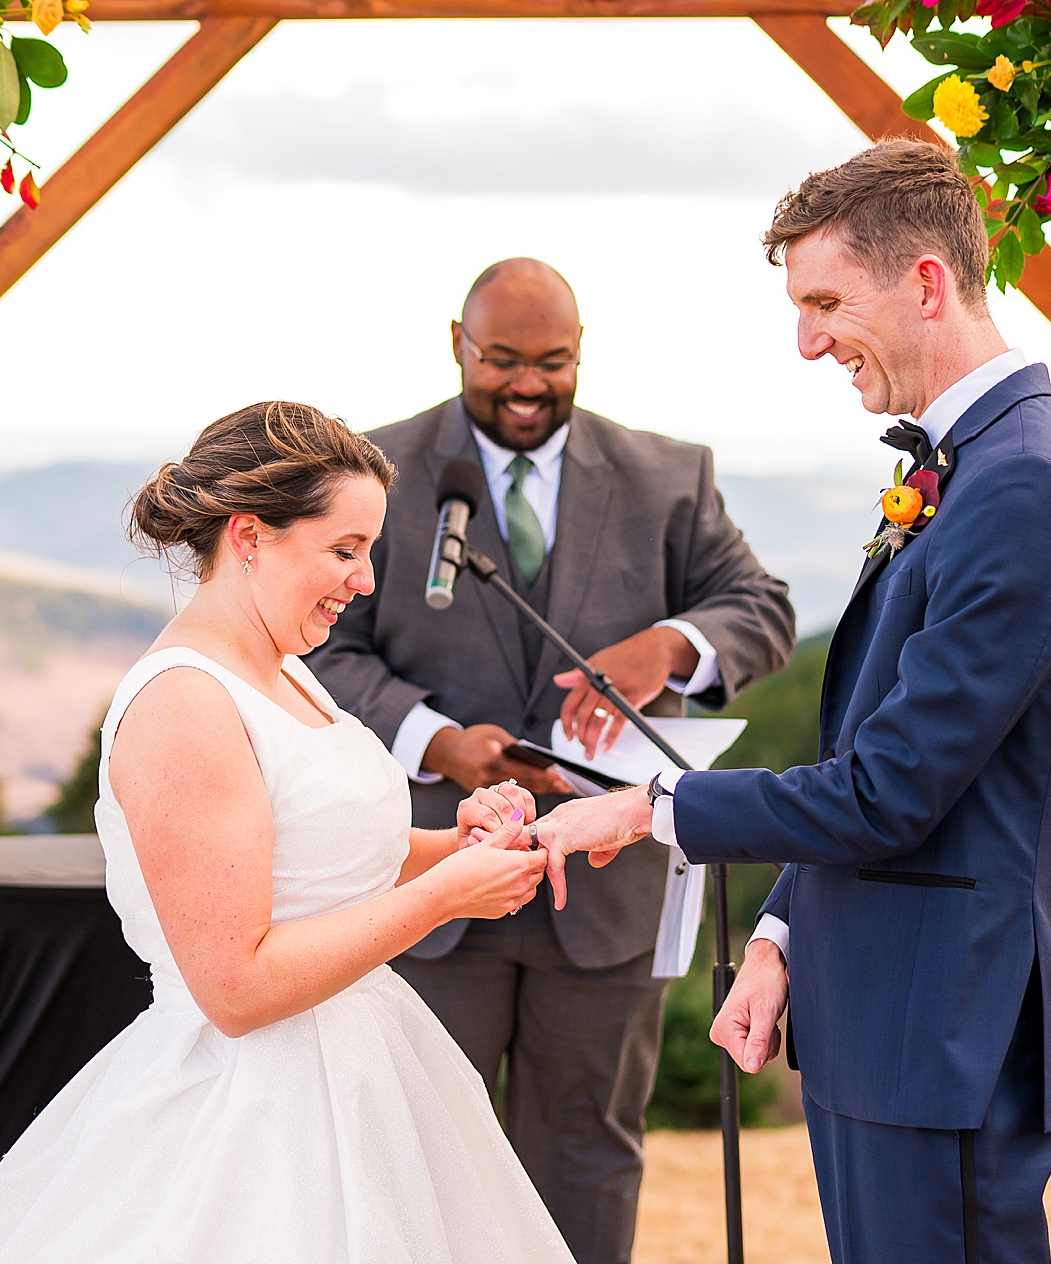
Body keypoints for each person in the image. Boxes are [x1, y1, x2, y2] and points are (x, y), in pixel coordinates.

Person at [533, 140, 1051, 1264]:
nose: (807, 340)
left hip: (947, 1027)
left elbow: (886, 790)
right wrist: (782, 932)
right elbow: (883, 745)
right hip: (890, 1016)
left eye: (825, 302)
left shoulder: (1024, 489)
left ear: (927, 284)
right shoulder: (976, 466)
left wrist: (646, 805)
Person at [0, 401, 575, 1263]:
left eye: (370, 553)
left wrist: (458, 847)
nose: (366, 581)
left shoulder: (285, 672)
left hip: (363, 1071)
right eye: (344, 551)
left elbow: (325, 867)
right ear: (249, 537)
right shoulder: (185, 705)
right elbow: (235, 988)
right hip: (250, 1117)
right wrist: (443, 897)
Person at [306, 258, 795, 1264]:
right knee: (412, 1153)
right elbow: (322, 645)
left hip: (606, 903)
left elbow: (762, 611)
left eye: (553, 361)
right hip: (432, 886)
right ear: (457, 344)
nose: (528, 384)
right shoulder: (375, 472)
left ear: (581, 354)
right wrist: (431, 737)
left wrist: (670, 646)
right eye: (502, 361)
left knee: (586, 1153)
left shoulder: (670, 476)